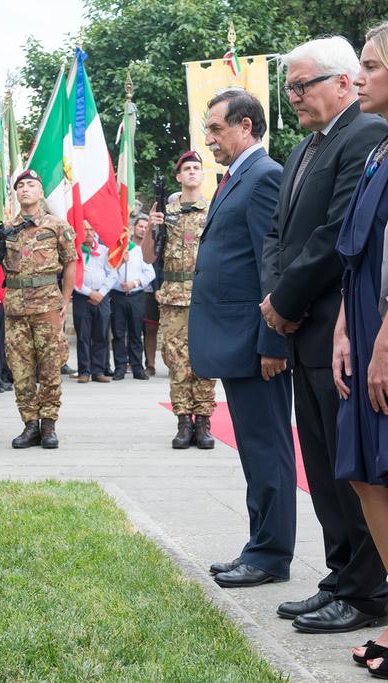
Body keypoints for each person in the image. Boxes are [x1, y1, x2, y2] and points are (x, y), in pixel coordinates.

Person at [261, 36, 388, 632]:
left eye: (302, 85)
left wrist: (286, 301)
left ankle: (366, 591)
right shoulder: (306, 145)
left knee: (352, 467)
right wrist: (276, 299)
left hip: (337, 323)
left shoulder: (362, 134)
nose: (293, 98)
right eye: (289, 88)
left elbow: (336, 236)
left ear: (341, 82)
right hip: (305, 326)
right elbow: (281, 237)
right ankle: (339, 576)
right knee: (323, 462)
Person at [185, 90, 296, 587]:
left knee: (266, 447)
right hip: (236, 341)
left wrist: (272, 343)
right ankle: (259, 545)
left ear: (246, 126)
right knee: (253, 449)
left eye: (216, 128)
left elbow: (271, 267)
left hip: (257, 344)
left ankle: (271, 556)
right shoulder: (235, 178)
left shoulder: (264, 177)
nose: (208, 139)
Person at [332, 23, 388, 674]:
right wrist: (349, 327)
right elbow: (362, 251)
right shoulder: (378, 151)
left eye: (371, 66)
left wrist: (381, 344)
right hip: (366, 322)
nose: (361, 77)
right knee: (364, 468)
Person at [0, 169, 77, 449]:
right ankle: (29, 425)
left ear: (40, 192)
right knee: (20, 369)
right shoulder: (6, 229)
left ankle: (49, 425)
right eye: (20, 185)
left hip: (47, 304)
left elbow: (71, 261)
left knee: (49, 367)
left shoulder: (57, 226)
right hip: (15, 309)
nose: (25, 189)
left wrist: (66, 299)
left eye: (31, 185)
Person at [143, 151, 216, 449]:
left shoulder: (213, 210)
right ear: (178, 176)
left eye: (196, 168)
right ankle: (183, 422)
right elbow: (149, 256)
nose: (192, 172)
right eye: (186, 168)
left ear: (202, 174)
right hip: (174, 298)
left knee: (206, 359)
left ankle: (204, 422)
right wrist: (151, 227)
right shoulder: (165, 212)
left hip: (205, 296)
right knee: (176, 361)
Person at [73, 221, 117, 383]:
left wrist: (101, 293)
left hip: (102, 297)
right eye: (85, 230)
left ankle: (98, 370)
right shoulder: (76, 252)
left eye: (91, 229)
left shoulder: (104, 251)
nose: (89, 233)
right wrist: (89, 292)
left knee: (101, 334)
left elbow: (112, 273)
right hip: (82, 297)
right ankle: (84, 371)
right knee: (83, 335)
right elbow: (74, 277)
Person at [110, 233, 155, 381]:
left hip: (136, 296)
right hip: (118, 296)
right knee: (118, 334)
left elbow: (150, 273)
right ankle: (120, 367)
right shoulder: (114, 252)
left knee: (136, 333)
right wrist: (121, 263)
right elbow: (107, 272)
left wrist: (134, 283)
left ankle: (137, 367)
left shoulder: (138, 250)